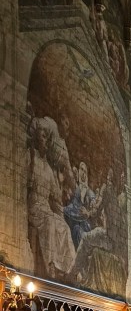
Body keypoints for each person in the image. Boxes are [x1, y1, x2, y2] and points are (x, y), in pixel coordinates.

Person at [27, 117, 77, 278]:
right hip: (34, 206)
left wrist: (61, 214)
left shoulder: (48, 167)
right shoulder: (31, 158)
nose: (45, 142)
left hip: (46, 210)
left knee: (64, 227)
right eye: (42, 137)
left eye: (47, 138)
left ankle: (70, 269)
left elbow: (55, 197)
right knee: (49, 223)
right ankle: (51, 266)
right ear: (36, 137)